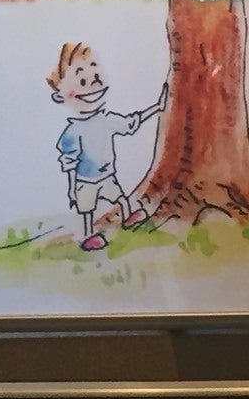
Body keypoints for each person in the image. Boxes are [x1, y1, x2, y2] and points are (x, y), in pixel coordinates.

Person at [47, 42, 166, 251]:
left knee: (119, 197)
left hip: (107, 176)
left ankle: (129, 215)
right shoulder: (73, 132)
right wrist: (72, 189)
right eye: (82, 81)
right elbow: (69, 162)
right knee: (86, 209)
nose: (93, 86)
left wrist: (157, 107)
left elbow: (131, 123)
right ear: (61, 95)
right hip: (85, 181)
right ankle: (88, 235)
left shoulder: (106, 120)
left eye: (96, 77)